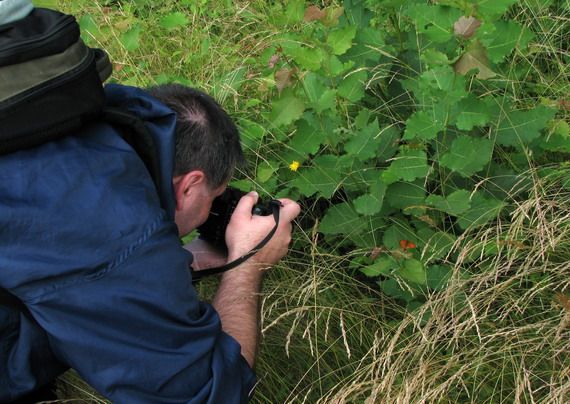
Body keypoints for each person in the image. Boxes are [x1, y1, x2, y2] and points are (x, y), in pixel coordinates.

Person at [0, 81, 300, 403]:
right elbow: (209, 395)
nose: (209, 212)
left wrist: (177, 263)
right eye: (213, 199)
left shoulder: (66, 127)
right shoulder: (117, 235)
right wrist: (249, 262)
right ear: (189, 186)